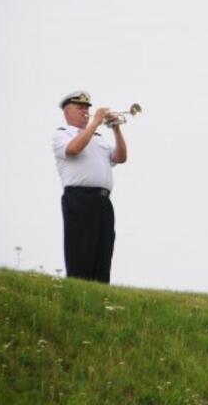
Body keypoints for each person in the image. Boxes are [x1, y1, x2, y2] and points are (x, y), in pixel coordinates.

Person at [51, 91, 127, 283]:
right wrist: (95, 123)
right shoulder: (62, 134)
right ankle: (78, 293)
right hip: (79, 199)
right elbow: (74, 149)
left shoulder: (98, 137)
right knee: (81, 251)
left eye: (87, 108)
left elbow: (120, 157)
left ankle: (101, 292)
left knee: (103, 250)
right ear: (67, 112)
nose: (85, 111)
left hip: (102, 201)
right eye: (80, 108)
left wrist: (116, 129)